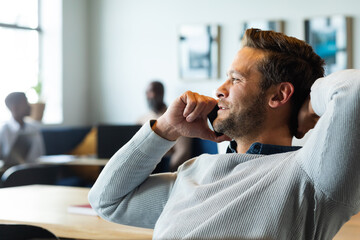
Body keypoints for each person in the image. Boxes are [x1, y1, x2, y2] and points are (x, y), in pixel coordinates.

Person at [89, 28, 360, 239]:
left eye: (236, 79)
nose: (219, 89)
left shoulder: (313, 175)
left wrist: (310, 104)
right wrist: (166, 128)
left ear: (279, 94)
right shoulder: (193, 172)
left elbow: (352, 90)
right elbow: (106, 201)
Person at [137, 81, 192, 172]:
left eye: (152, 92)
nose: (149, 96)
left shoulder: (177, 118)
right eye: (147, 93)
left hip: (167, 168)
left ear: (161, 93)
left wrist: (166, 171)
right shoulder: (141, 120)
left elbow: (183, 152)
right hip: (143, 168)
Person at [0, 92, 45, 170]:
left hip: (35, 170)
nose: (29, 106)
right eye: (25, 102)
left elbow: (40, 155)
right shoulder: (4, 130)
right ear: (14, 107)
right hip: (13, 173)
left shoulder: (34, 129)